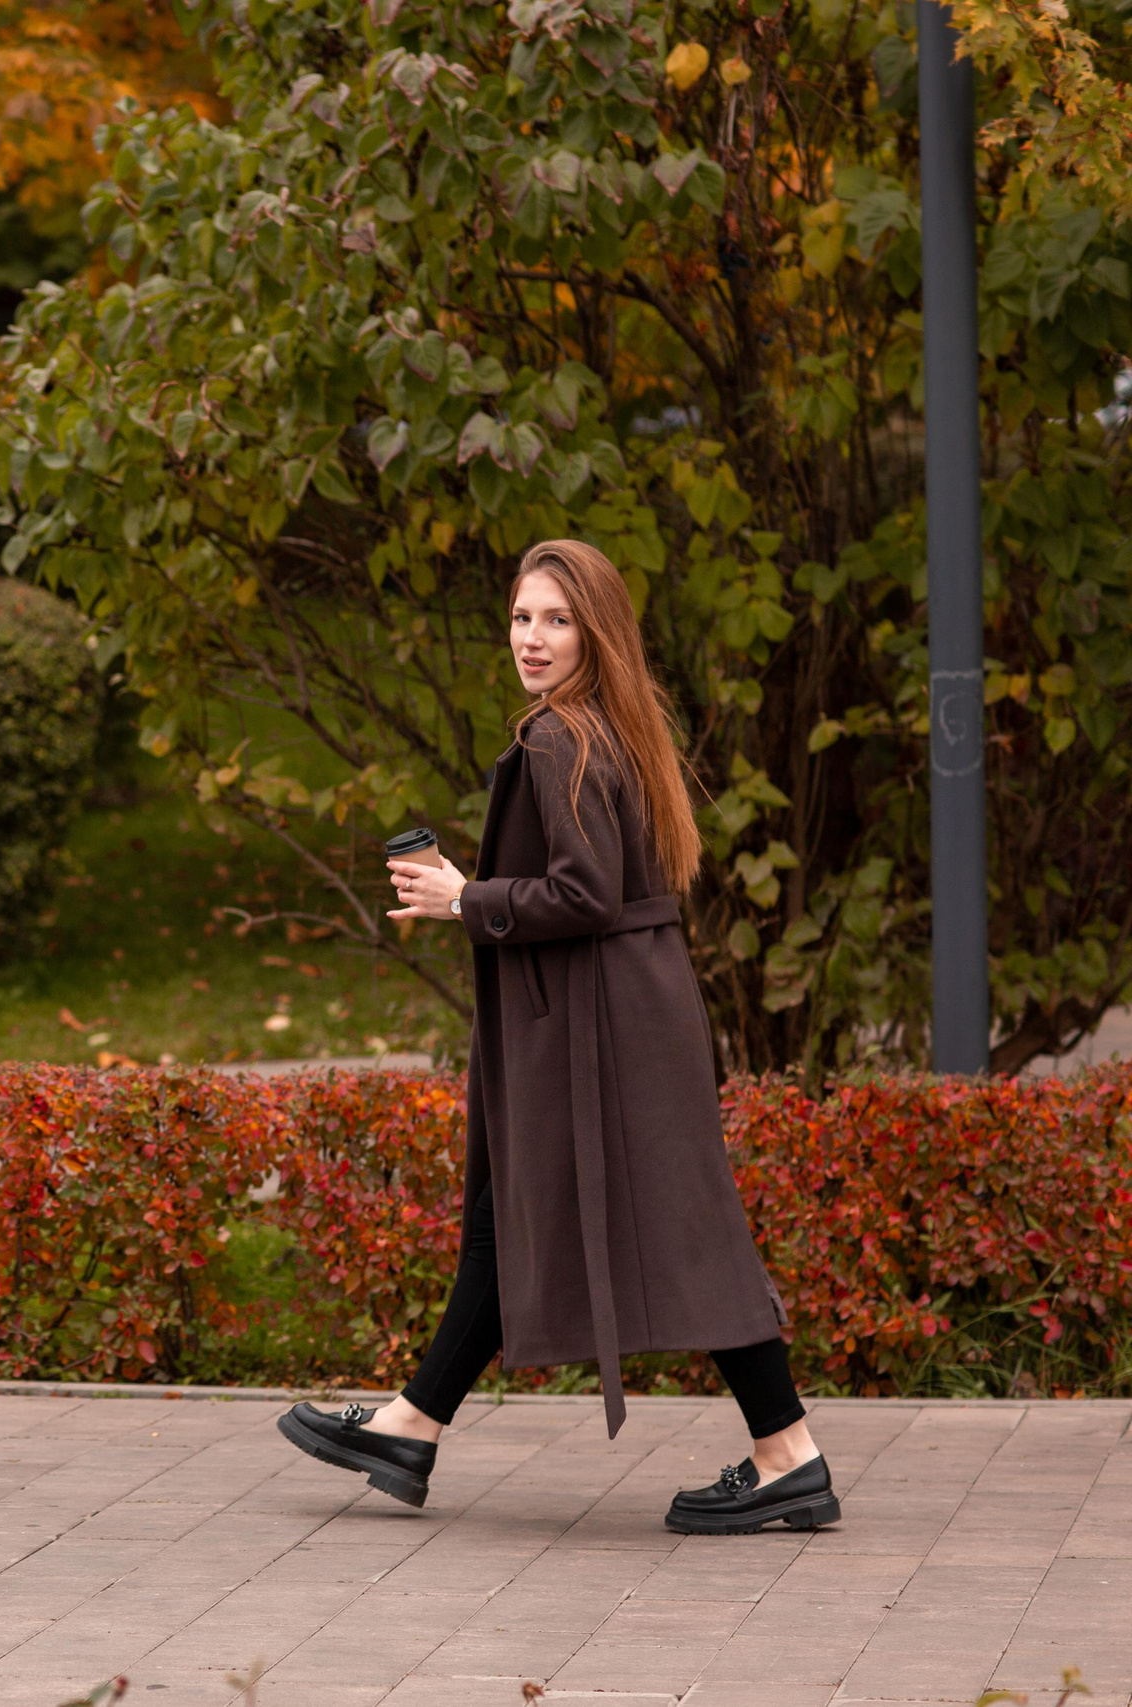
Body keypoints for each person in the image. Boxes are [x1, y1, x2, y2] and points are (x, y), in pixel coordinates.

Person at [275, 539, 841, 1536]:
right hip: (623, 1008)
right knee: (519, 1213)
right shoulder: (609, 730)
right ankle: (413, 1424)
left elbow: (580, 892)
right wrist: (473, 896)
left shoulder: (558, 740)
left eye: (556, 621)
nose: (531, 640)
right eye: (521, 618)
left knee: (685, 1230)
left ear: (597, 633)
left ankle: (787, 1453)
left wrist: (466, 898)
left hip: (601, 1024)